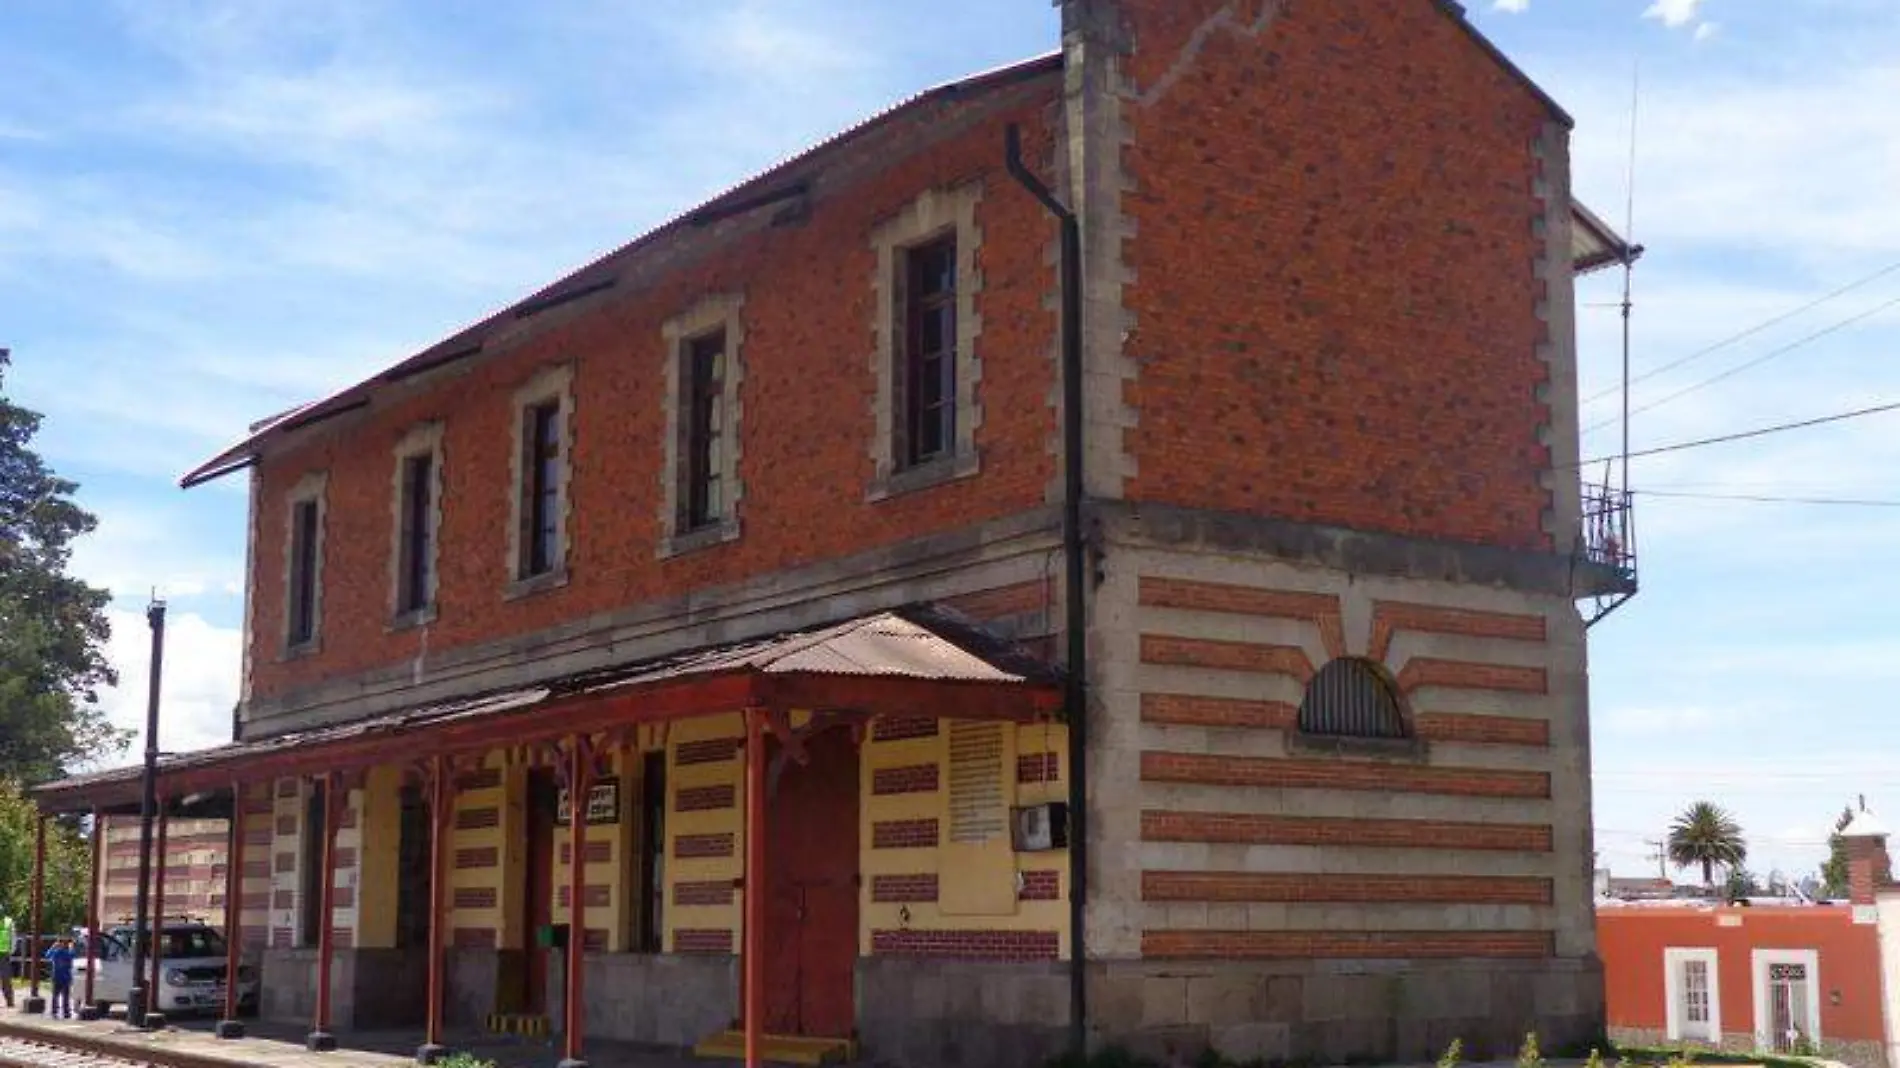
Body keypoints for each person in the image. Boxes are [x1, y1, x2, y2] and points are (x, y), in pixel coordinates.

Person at [43, 937, 74, 1019]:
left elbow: (47, 955)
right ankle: (66, 1012)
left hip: (56, 976)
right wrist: (71, 947)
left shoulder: (55, 952)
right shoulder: (67, 953)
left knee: (55, 995)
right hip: (66, 977)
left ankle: (54, 1011)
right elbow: (72, 956)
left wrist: (53, 946)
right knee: (66, 996)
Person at [0, 913, 14, 1009]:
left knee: (6, 979)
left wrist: (11, 951)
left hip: (4, 954)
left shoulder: (8, 921)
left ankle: (9, 1001)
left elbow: (13, 937)